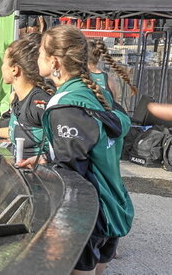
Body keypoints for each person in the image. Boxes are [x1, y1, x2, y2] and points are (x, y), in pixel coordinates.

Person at [19, 25, 133, 275]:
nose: (37, 59)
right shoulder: (96, 91)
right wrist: (47, 157)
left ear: (55, 61)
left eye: (40, 53)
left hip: (86, 213)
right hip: (112, 202)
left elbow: (72, 170)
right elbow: (86, 145)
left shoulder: (65, 107)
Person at [0, 33, 53, 158]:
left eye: (4, 62)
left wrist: (44, 159)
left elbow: (66, 146)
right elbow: (24, 130)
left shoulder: (39, 102)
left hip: (39, 174)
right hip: (21, 169)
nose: (1, 66)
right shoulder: (17, 97)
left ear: (14, 69)